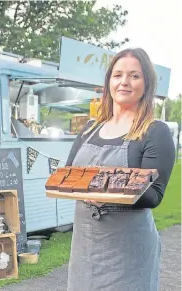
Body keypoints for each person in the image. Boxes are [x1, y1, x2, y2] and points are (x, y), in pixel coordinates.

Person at [66, 48, 175, 291]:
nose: (124, 82)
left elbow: (154, 194)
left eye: (134, 76)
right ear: (109, 83)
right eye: (118, 75)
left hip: (128, 251)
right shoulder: (90, 128)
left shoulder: (155, 131)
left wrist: (104, 191)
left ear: (147, 84)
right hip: (85, 247)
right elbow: (69, 174)